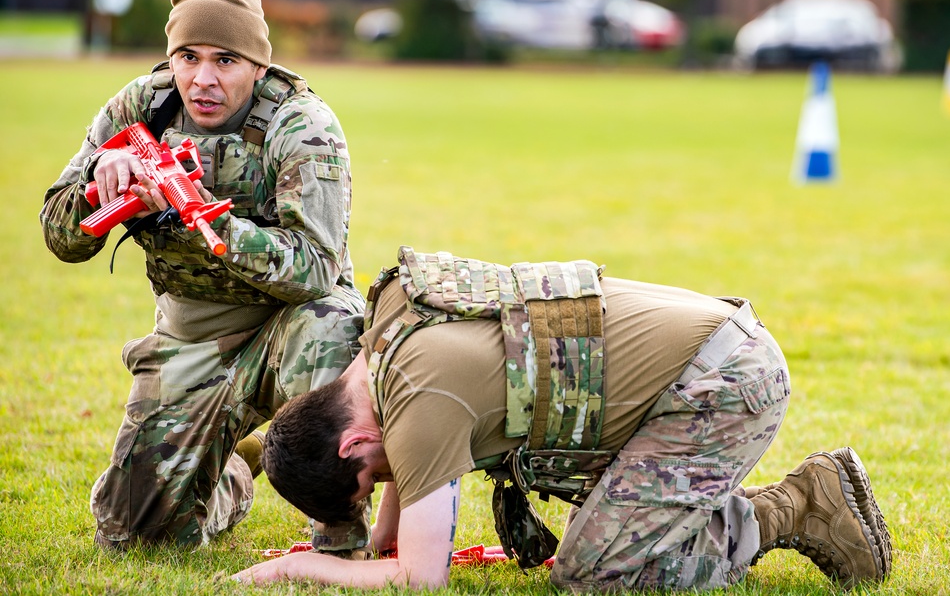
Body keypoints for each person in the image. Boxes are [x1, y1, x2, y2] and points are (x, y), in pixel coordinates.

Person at [232, 247, 892, 590]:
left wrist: (295, 570)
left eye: (371, 478)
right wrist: (380, 534)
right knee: (594, 541)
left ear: (354, 439)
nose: (387, 481)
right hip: (706, 352)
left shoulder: (417, 409)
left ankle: (795, 505)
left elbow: (421, 576)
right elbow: (407, 458)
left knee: (594, 573)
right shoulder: (386, 334)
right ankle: (714, 508)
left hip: (720, 384)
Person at [40, 0, 369, 554]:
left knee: (332, 325)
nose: (203, 80)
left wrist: (207, 221)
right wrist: (100, 191)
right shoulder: (141, 109)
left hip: (285, 330)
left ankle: (338, 529)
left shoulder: (302, 124)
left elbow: (316, 270)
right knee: (133, 534)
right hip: (190, 340)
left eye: (226, 60)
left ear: (257, 65)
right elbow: (59, 236)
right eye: (188, 57)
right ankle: (238, 468)